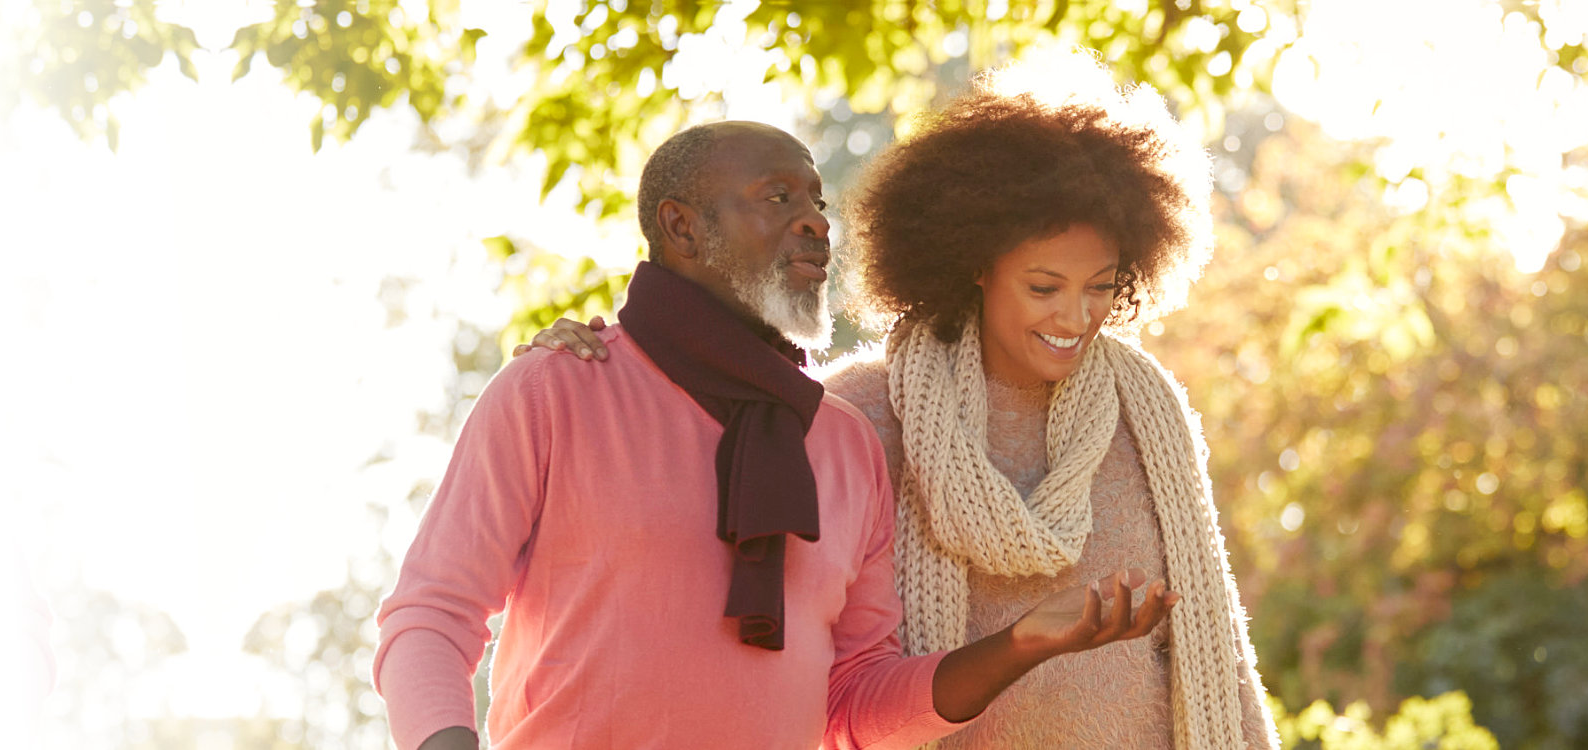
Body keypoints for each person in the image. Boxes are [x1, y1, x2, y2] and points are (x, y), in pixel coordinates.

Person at [520, 56, 1281, 750]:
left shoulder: (1146, 414)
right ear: (975, 265)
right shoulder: (860, 418)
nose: (1075, 319)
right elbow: (703, 491)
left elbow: (1217, 651)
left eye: (1101, 288)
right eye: (1044, 287)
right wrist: (611, 357)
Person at [376, 119, 1182, 750]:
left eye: (818, 202)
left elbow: (854, 705)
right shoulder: (557, 389)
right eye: (778, 199)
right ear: (681, 228)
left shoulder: (840, 443)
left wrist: (1020, 646)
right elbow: (430, 617)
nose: (815, 225)